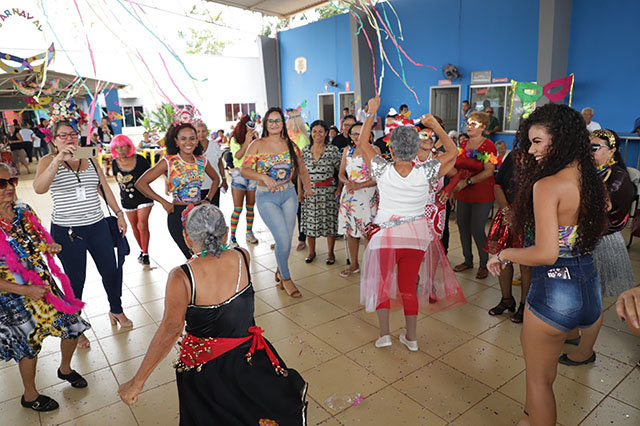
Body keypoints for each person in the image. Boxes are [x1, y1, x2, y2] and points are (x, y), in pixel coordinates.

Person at [117, 204, 308, 423]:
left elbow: (171, 330)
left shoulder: (182, 277)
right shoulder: (242, 256)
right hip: (249, 360)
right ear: (226, 233)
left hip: (207, 372)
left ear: (187, 238)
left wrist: (137, 382)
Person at [487, 103, 608, 425]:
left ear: (562, 139)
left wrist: (504, 255)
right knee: (546, 376)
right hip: (588, 290)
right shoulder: (590, 178)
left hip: (555, 293)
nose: (530, 149)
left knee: (539, 382)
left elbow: (545, 253)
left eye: (537, 141)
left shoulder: (549, 185)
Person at [356, 97, 464, 351]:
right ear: (417, 149)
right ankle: (412, 339)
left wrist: (371, 113)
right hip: (415, 238)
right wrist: (436, 128)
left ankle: (384, 335)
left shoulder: (381, 169)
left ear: (390, 150)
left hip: (385, 238)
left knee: (382, 286)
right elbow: (453, 153)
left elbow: (362, 143)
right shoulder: (426, 172)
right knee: (408, 287)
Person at [33, 120, 132, 350]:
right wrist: (58, 160)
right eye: (63, 135)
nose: (69, 139)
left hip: (97, 225)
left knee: (111, 270)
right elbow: (39, 188)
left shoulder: (89, 155)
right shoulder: (48, 161)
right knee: (75, 280)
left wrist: (119, 213)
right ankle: (76, 326)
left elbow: (103, 187)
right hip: (67, 231)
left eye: (73, 134)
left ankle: (115, 309)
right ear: (54, 140)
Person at [0, 163, 91, 412]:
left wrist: (48, 246)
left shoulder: (22, 211)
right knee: (28, 347)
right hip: (12, 298)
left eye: (12, 181)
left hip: (44, 286)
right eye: (2, 183)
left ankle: (64, 369)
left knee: (72, 327)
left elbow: (39, 237)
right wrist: (25, 291)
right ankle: (30, 396)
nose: (9, 187)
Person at [561, 129, 635, 366]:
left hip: (602, 243)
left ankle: (586, 351)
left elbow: (598, 207)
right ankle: (572, 334)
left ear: (612, 151)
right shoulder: (589, 172)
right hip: (581, 238)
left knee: (592, 299)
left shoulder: (618, 176)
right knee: (574, 293)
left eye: (595, 148)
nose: (588, 153)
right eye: (587, 147)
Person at [241, 107, 314, 298]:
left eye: (278, 121)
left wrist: (308, 188)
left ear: (283, 124)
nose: (274, 124)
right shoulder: (257, 144)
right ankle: (286, 278)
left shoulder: (291, 144)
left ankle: (280, 270)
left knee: (286, 241)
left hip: (289, 194)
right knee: (282, 239)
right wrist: (263, 177)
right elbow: (245, 170)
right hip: (266, 197)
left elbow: (302, 168)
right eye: (270, 121)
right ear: (265, 124)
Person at [135, 122, 220, 259]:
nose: (188, 142)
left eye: (192, 138)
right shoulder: (169, 161)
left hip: (199, 213)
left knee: (207, 255)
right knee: (192, 257)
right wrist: (163, 202)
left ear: (197, 140)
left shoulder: (201, 161)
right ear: (176, 141)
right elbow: (141, 183)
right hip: (178, 214)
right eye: (183, 138)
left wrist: (208, 199)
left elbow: (216, 179)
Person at [447, 112, 498, 279]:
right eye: (468, 123)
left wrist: (468, 182)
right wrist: (455, 183)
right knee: (462, 226)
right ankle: (468, 260)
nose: (469, 126)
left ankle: (484, 263)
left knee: (477, 228)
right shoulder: (463, 143)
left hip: (481, 193)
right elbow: (456, 166)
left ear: (483, 127)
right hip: (462, 192)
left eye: (473, 124)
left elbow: (489, 171)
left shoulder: (488, 145)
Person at [484, 151, 532, 323]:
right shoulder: (514, 156)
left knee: (527, 264)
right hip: (507, 214)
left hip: (530, 217)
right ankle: (507, 300)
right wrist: (507, 211)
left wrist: (519, 215)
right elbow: (498, 185)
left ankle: (525, 305)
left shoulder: (548, 159)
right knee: (503, 258)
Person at [337, 121, 380, 278]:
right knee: (351, 231)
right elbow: (341, 173)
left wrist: (359, 185)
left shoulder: (374, 150)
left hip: (367, 194)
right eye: (354, 133)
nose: (357, 137)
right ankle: (354, 264)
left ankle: (369, 265)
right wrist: (348, 182)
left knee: (368, 232)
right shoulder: (347, 151)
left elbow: (378, 178)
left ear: (368, 134)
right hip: (350, 196)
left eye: (360, 133)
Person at [300, 120, 342, 264]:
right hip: (309, 193)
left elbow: (341, 171)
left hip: (328, 192)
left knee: (329, 223)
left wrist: (339, 189)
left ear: (326, 134)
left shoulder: (332, 150)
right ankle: (311, 252)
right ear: (310, 133)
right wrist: (300, 191)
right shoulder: (305, 150)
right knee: (310, 224)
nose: (317, 134)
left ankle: (331, 253)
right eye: (314, 131)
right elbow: (301, 172)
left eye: (320, 131)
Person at [110, 135, 154, 266]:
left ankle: (145, 254)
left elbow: (151, 175)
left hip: (144, 197)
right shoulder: (114, 162)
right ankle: (142, 250)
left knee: (142, 224)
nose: (120, 150)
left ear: (129, 146)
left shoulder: (140, 160)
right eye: (117, 147)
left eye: (123, 146)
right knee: (134, 227)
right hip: (127, 200)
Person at [228, 116, 259, 246]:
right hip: (239, 175)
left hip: (252, 174)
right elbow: (238, 156)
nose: (250, 129)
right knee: (238, 208)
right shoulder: (234, 139)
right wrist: (247, 141)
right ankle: (233, 237)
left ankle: (249, 232)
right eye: (248, 126)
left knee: (250, 207)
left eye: (252, 127)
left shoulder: (255, 139)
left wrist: (257, 141)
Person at [287, 110, 311, 251]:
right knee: (287, 211)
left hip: (297, 179)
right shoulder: (288, 137)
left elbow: (301, 165)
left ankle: (302, 238)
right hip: (286, 179)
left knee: (299, 210)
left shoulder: (301, 139)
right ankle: (284, 239)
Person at [196, 121, 228, 207]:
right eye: (198, 131)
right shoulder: (192, 147)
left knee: (214, 212)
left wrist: (224, 179)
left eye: (203, 131)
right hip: (197, 188)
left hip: (214, 186)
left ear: (207, 132)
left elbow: (220, 163)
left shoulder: (214, 145)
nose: (201, 134)